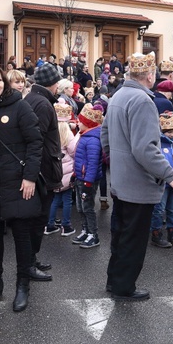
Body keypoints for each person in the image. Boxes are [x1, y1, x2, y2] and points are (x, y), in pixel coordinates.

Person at [101, 53, 173, 300]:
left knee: (121, 234)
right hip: (138, 184)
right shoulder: (142, 101)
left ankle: (114, 280)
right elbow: (146, 148)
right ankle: (124, 287)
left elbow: (105, 136)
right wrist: (170, 176)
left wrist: (116, 162)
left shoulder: (119, 95)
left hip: (121, 180)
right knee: (133, 238)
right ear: (150, 76)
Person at [0, 65, 42, 312]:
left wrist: (30, 177)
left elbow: (35, 142)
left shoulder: (20, 106)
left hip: (19, 178)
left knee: (22, 236)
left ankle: (23, 285)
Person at [25, 63, 64, 279]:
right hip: (41, 173)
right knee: (37, 219)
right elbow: (35, 141)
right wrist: (35, 174)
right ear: (53, 83)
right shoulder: (42, 103)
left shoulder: (36, 99)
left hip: (40, 170)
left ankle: (32, 259)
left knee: (37, 219)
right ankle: (29, 263)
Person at [150, 112, 173, 249]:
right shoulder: (158, 145)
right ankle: (156, 234)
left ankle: (172, 234)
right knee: (159, 209)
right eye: (168, 132)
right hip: (162, 183)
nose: (171, 134)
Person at [73, 103, 105, 249]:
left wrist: (88, 183)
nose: (77, 123)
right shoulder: (85, 136)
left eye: (80, 121)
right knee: (81, 207)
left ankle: (93, 234)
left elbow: (92, 164)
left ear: (87, 123)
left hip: (88, 181)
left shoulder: (92, 140)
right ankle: (85, 230)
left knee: (88, 207)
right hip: (81, 178)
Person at [45, 104, 78, 237]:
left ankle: (49, 224)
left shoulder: (50, 129)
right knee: (67, 199)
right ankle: (66, 225)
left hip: (55, 168)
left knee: (55, 199)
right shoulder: (67, 131)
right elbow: (73, 150)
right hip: (67, 170)